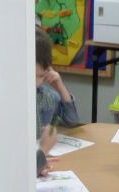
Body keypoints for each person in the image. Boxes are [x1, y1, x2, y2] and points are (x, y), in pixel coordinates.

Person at [35, 27, 80, 176]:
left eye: (41, 76)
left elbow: (72, 121)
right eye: (33, 76)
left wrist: (59, 86)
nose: (37, 83)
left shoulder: (46, 96)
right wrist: (43, 151)